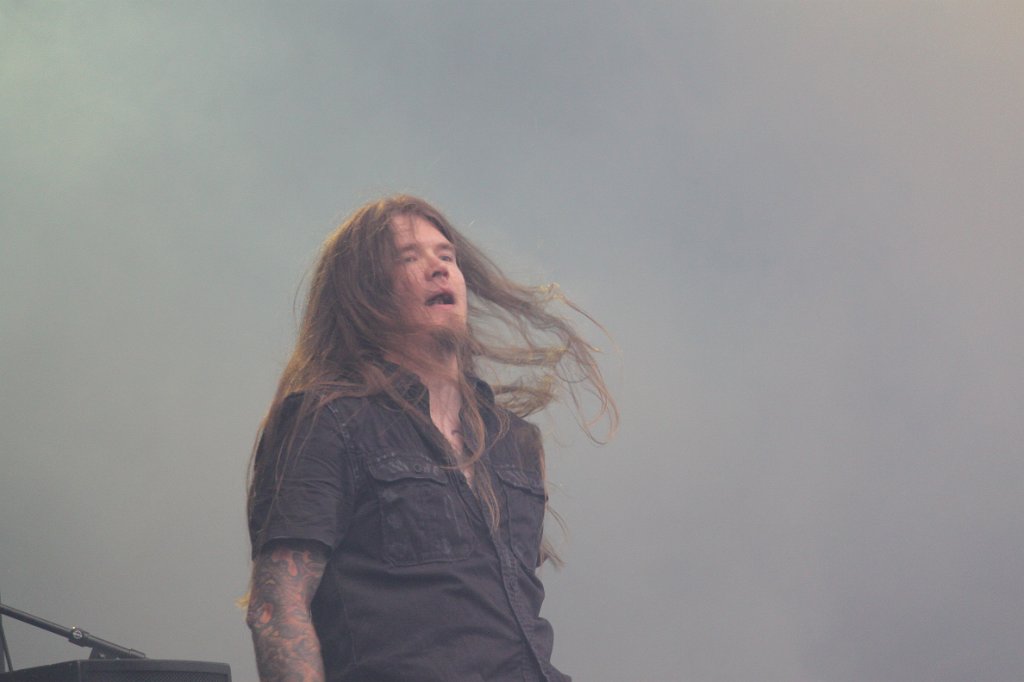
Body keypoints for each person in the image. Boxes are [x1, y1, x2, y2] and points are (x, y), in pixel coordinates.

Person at [245, 195, 616, 681]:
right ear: (365, 292)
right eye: (409, 257)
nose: (440, 268)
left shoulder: (515, 441)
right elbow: (278, 604)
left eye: (447, 256)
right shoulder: (328, 421)